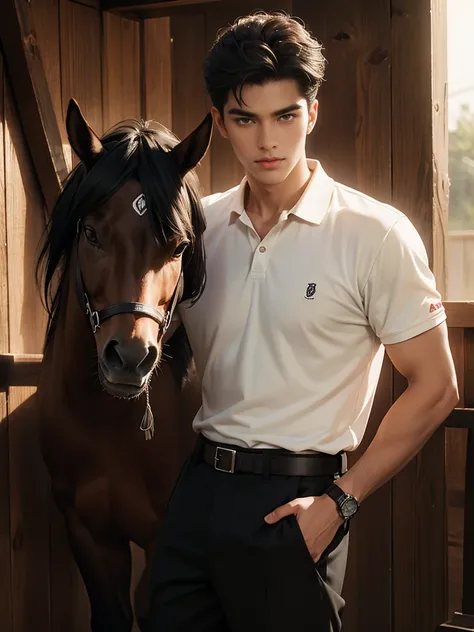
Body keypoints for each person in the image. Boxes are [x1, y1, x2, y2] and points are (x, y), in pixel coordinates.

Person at [148, 11, 458, 631]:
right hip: (198, 490)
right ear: (219, 125)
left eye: (285, 116)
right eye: (246, 119)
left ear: (311, 114)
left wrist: (339, 503)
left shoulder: (375, 234)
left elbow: (437, 387)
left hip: (298, 503)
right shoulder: (195, 231)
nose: (269, 141)